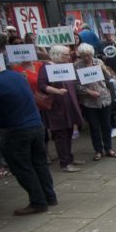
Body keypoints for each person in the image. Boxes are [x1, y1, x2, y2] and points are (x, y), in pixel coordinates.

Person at [0, 49, 57, 214]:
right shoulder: (16, 75)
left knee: (22, 167)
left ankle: (38, 202)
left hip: (15, 131)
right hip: (36, 126)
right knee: (39, 163)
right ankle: (49, 196)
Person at [37, 45, 85, 173]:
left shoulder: (65, 66)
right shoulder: (47, 67)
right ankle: (65, 163)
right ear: (58, 55)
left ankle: (69, 157)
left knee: (68, 132)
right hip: (57, 107)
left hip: (68, 104)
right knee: (61, 134)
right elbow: (41, 85)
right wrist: (57, 91)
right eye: (66, 55)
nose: (69, 57)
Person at [74, 43, 116, 161]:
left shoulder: (98, 62)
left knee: (106, 125)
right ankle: (98, 150)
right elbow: (76, 85)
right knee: (94, 126)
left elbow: (109, 78)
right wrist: (88, 91)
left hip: (104, 98)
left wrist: (105, 70)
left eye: (88, 55)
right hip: (89, 101)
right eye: (84, 56)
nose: (87, 58)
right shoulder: (77, 66)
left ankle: (109, 148)